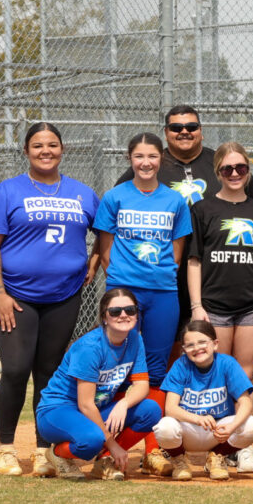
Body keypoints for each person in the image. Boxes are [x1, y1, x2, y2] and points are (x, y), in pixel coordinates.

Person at [0, 122, 100, 477]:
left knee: (49, 374)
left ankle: (44, 450)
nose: (45, 151)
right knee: (16, 370)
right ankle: (6, 448)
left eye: (52, 145)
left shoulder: (82, 193)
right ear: (26, 151)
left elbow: (104, 232)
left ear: (63, 149)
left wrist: (92, 261)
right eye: (37, 145)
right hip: (16, 298)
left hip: (64, 297)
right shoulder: (8, 191)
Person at [93, 132, 192, 477]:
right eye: (139, 156)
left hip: (162, 292)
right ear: (129, 159)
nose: (145, 162)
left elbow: (177, 250)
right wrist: (122, 278)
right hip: (125, 291)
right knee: (119, 369)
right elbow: (105, 247)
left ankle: (154, 450)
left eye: (152, 156)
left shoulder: (175, 201)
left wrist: (161, 275)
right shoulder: (115, 197)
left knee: (157, 369)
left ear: (161, 159)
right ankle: (108, 448)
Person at [115, 106, 253, 336]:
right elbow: (117, 211)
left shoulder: (222, 164)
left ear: (201, 131)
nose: (184, 131)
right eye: (176, 127)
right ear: (166, 132)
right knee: (168, 341)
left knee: (206, 343)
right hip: (165, 272)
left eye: (191, 127)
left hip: (213, 272)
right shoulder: (151, 165)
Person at [186, 141, 253, 473]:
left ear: (248, 170)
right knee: (218, 377)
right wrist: (197, 306)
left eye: (241, 168)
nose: (235, 174)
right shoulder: (203, 209)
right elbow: (195, 261)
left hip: (252, 304)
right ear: (218, 172)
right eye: (227, 169)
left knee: (244, 377)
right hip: (215, 305)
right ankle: (217, 449)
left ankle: (241, 445)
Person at [36, 289, 162, 480]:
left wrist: (123, 403)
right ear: (104, 317)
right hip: (58, 410)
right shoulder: (90, 347)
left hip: (93, 408)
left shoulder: (135, 339)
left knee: (151, 410)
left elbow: (142, 386)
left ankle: (104, 461)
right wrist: (113, 445)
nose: (123, 315)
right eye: (115, 311)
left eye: (130, 310)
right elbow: (85, 404)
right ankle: (57, 455)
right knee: (91, 440)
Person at [152, 320, 253, 481]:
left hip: (218, 431)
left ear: (215, 344)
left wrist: (232, 427)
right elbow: (170, 408)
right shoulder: (181, 366)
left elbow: (245, 402)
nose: (197, 348)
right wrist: (197, 418)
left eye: (202, 342)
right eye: (190, 345)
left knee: (252, 426)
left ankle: (217, 457)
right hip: (189, 429)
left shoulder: (227, 364)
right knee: (164, 427)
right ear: (184, 349)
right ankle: (179, 461)